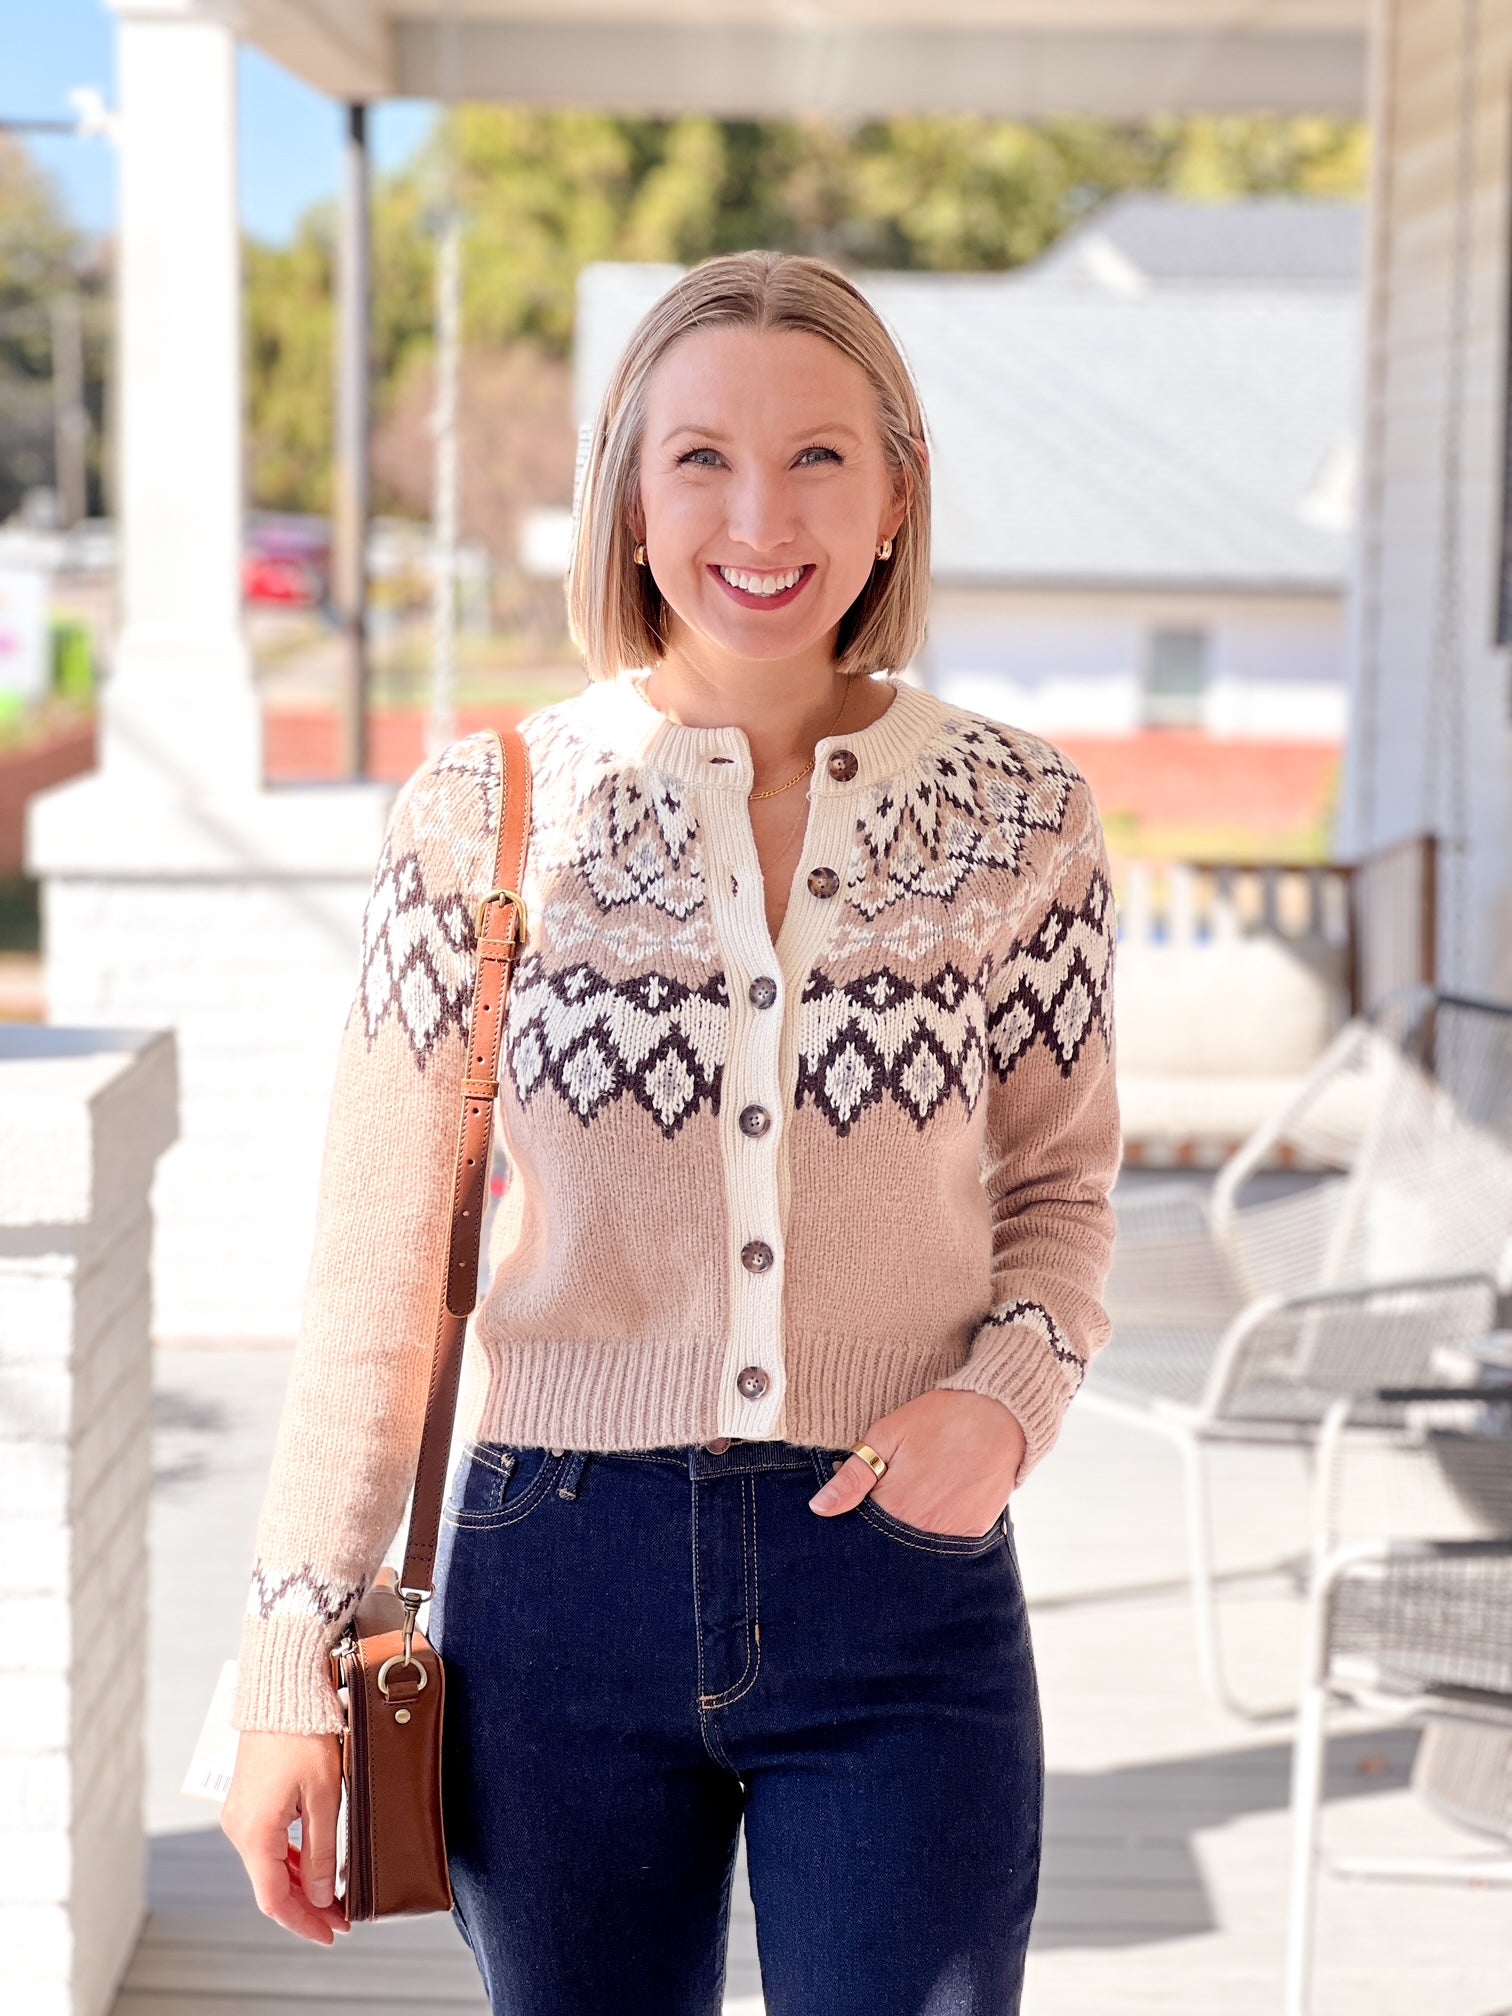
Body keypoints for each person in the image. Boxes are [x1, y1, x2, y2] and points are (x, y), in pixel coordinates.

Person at [222, 249, 1121, 2016]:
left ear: (894, 497)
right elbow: (376, 1279)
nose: (759, 518)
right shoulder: (483, 817)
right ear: (629, 499)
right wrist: (287, 1660)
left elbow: (1062, 1187)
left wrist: (1007, 1404)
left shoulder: (1024, 817)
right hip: (557, 1583)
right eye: (701, 457)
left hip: (900, 1568)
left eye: (818, 457)